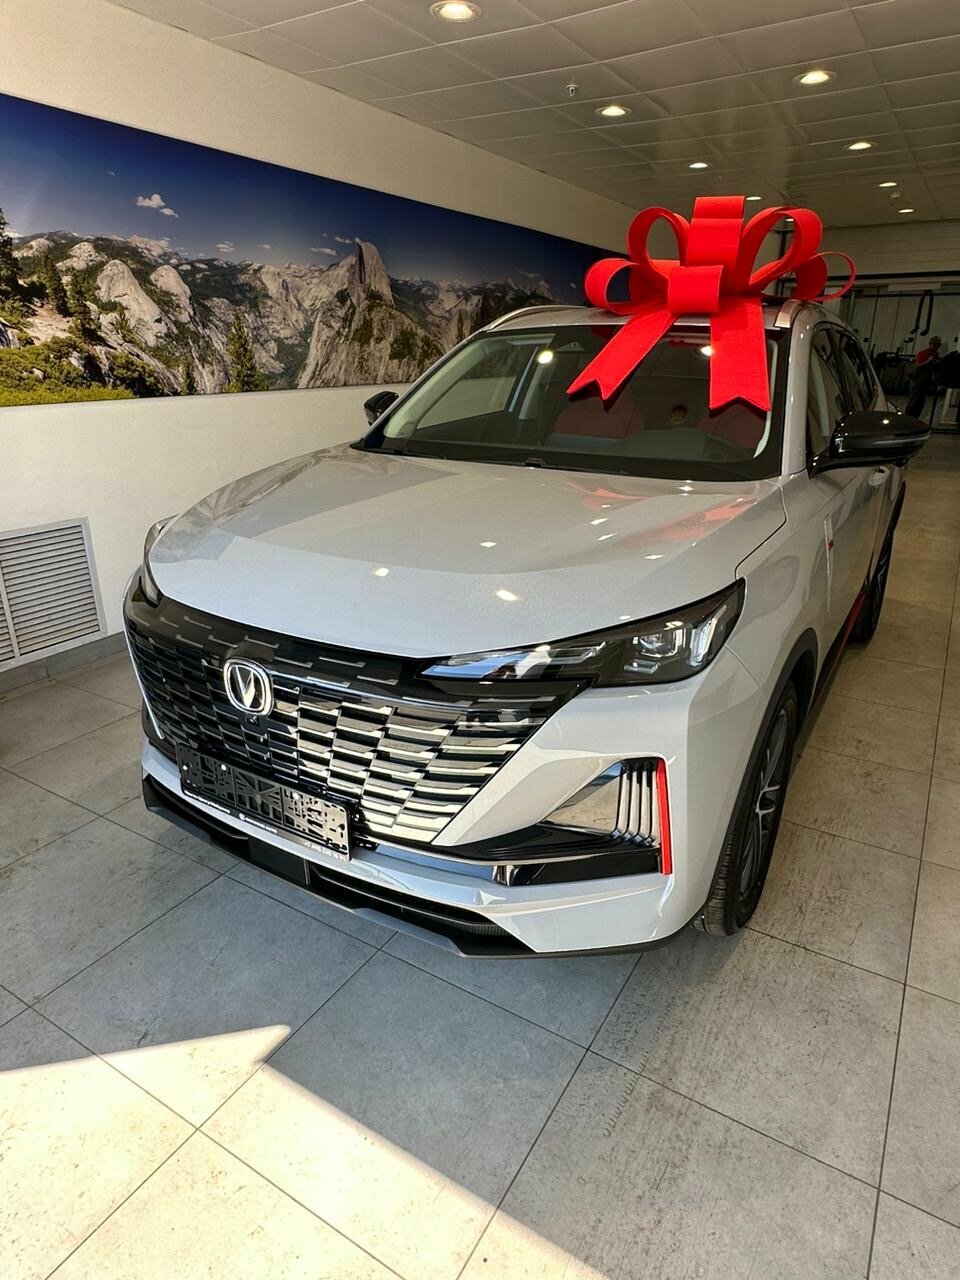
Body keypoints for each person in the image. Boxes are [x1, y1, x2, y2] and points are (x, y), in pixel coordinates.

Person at [906, 336, 942, 418]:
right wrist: (928, 361)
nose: (937, 347)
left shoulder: (935, 355)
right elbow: (917, 366)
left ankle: (916, 419)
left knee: (920, 403)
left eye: (938, 345)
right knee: (913, 402)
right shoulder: (923, 353)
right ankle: (908, 418)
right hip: (918, 381)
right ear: (930, 344)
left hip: (926, 382)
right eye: (935, 344)